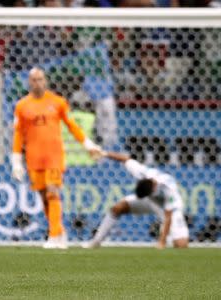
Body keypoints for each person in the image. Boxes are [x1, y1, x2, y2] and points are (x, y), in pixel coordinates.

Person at [11, 67, 103, 249]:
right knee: (44, 197)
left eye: (40, 79)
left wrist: (88, 145)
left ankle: (53, 237)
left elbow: (72, 125)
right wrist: (16, 160)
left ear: (45, 81)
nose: (37, 83)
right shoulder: (22, 106)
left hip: (54, 156)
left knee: (53, 192)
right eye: (34, 80)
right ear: (29, 82)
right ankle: (59, 232)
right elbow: (18, 134)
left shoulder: (58, 102)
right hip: (33, 158)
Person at [82, 151, 189, 249]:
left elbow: (168, 216)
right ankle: (96, 242)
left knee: (181, 244)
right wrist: (104, 154)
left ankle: (169, 237)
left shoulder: (168, 189)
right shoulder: (143, 173)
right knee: (117, 208)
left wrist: (162, 241)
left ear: (153, 190)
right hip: (149, 201)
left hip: (169, 209)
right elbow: (126, 159)